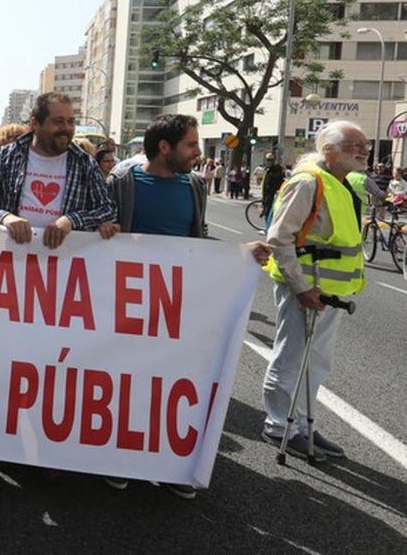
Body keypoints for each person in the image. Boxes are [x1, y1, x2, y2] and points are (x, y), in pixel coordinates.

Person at [108, 113, 271, 499]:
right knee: (128, 379)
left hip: (178, 305)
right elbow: (103, 230)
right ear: (165, 147)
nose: (198, 153)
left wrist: (239, 254)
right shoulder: (124, 183)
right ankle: (118, 458)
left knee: (174, 383)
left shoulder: (195, 186)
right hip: (129, 303)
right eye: (192, 145)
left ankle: (170, 464)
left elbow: (198, 239)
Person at [261, 120, 368, 461]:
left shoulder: (343, 184)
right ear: (329, 149)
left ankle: (304, 424)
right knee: (291, 357)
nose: (364, 152)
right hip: (305, 288)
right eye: (355, 146)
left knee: (317, 362)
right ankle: (279, 426)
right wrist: (301, 286)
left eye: (364, 145)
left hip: (331, 291)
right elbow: (279, 238)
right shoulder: (308, 181)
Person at [0, 92, 117, 248]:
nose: (66, 128)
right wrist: (5, 218)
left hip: (63, 264)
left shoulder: (84, 163)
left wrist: (71, 220)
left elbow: (108, 209)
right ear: (35, 123)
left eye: (70, 121)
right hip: (10, 260)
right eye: (58, 121)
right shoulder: (6, 157)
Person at [260, 152, 286, 220]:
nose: (269, 161)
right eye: (268, 159)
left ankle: (268, 222)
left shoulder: (277, 168)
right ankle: (265, 216)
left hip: (272, 191)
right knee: (266, 205)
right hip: (266, 191)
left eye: (270, 160)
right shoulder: (267, 168)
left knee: (270, 208)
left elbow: (280, 178)